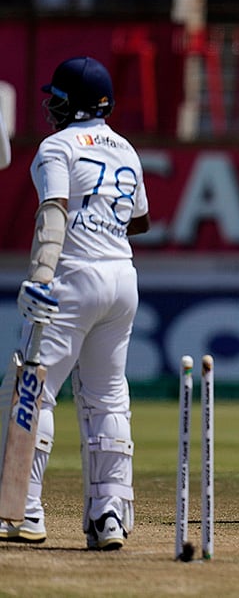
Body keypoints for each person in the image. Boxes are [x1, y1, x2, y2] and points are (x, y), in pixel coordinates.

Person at [1, 56, 150, 550]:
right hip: (122, 280)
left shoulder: (56, 147)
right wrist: (102, 215)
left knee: (31, 390)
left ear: (73, 105)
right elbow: (140, 219)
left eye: (56, 100)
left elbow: (54, 212)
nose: (50, 108)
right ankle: (110, 516)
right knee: (107, 398)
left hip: (71, 276)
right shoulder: (127, 149)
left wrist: (41, 276)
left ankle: (22, 511)